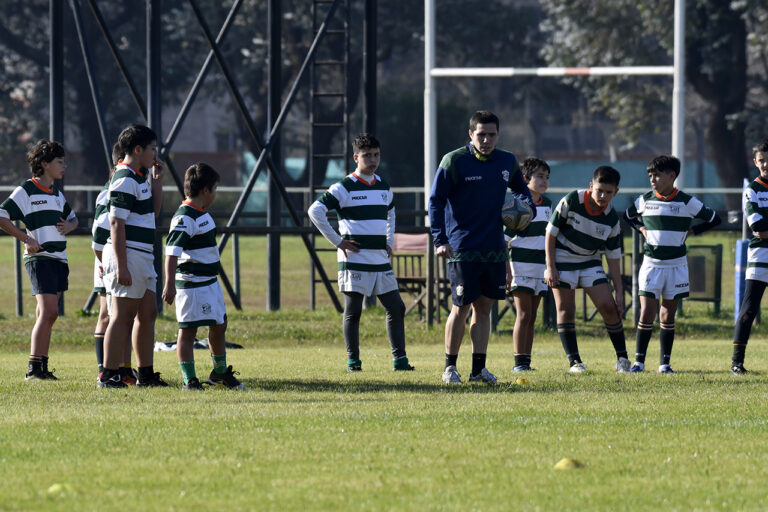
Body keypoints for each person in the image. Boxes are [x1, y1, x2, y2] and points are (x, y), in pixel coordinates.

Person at [428, 110, 532, 384]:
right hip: (462, 247)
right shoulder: (454, 161)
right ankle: (450, 368)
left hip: (494, 247)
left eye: (492, 134)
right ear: (470, 134)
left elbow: (522, 191)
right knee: (460, 307)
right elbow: (435, 201)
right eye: (481, 134)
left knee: (484, 309)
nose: (486, 140)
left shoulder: (507, 161)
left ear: (498, 135)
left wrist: (526, 208)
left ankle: (478, 370)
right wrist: (440, 239)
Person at [308, 133, 414, 372]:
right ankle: (353, 361)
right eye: (367, 155)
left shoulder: (384, 186)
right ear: (356, 157)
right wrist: (337, 241)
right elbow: (315, 211)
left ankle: (400, 360)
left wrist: (389, 241)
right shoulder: (344, 186)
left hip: (379, 259)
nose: (372, 160)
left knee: (396, 307)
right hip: (354, 259)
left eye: (376, 155)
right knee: (353, 311)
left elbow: (391, 214)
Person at [625, 155, 720, 373]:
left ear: (672, 175)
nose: (653, 179)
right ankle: (639, 362)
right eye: (650, 175)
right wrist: (641, 228)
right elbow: (628, 216)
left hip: (677, 265)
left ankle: (665, 364)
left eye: (657, 175)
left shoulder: (687, 201)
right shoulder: (645, 199)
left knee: (667, 315)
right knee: (647, 311)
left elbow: (714, 219)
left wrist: (692, 231)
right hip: (651, 264)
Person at [162, 163, 246, 390]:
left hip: (209, 283)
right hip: (192, 285)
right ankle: (189, 380)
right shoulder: (185, 216)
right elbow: (171, 253)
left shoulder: (201, 213)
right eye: (215, 189)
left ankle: (219, 373)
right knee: (188, 331)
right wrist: (169, 284)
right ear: (206, 190)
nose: (216, 194)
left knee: (219, 325)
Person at [0, 139, 78, 380]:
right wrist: (26, 239)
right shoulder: (27, 189)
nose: (64, 166)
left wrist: (69, 225)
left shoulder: (56, 193)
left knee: (48, 314)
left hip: (59, 259)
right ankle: (33, 369)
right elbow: (2, 215)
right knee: (49, 312)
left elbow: (74, 219)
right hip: (39, 258)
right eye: (59, 162)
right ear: (44, 164)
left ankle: (42, 366)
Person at [98, 124, 167, 389]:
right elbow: (116, 223)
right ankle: (108, 374)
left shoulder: (139, 177)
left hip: (143, 255)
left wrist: (157, 183)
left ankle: (146, 374)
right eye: (152, 149)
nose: (155, 154)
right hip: (128, 255)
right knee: (122, 316)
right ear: (137, 150)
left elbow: (153, 212)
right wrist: (122, 266)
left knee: (147, 314)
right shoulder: (125, 178)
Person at [545, 166, 629, 373]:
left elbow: (613, 258)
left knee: (608, 307)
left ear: (615, 192)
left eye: (608, 192)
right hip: (562, 260)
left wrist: (619, 291)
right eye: (599, 190)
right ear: (591, 186)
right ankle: (575, 362)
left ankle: (623, 359)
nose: (603, 196)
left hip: (590, 262)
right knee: (565, 309)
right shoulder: (572, 200)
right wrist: (550, 267)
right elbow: (550, 234)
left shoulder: (611, 220)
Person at [92, 143, 137, 385]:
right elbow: (100, 229)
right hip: (108, 258)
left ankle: (125, 369)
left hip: (117, 257)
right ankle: (105, 370)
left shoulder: (133, 185)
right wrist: (103, 261)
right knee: (108, 314)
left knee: (125, 315)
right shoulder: (112, 189)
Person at [505, 157, 552, 372]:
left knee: (532, 317)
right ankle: (518, 363)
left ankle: (526, 361)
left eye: (547, 177)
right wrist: (506, 271)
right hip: (520, 266)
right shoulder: (516, 206)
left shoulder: (549, 205)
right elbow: (504, 242)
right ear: (525, 179)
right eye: (539, 176)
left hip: (540, 267)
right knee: (523, 315)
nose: (544, 181)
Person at [731, 139, 768, 375]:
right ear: (755, 162)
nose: (766, 165)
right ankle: (737, 362)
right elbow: (759, 228)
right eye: (762, 160)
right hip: (760, 257)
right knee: (748, 310)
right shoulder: (752, 190)